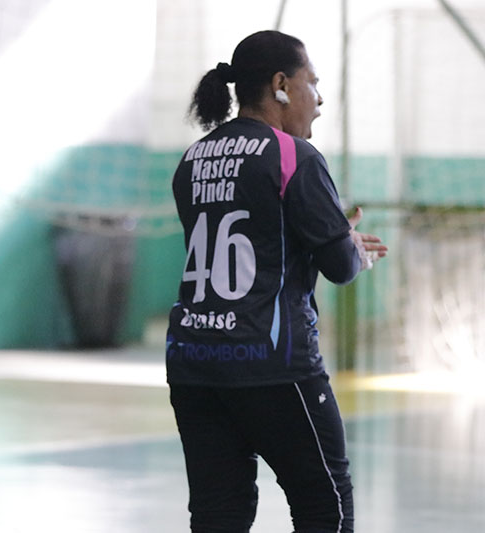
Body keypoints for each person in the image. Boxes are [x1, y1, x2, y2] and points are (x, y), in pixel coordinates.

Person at [166, 30, 387, 533]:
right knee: (325, 507)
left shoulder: (192, 159)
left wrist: (330, 235)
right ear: (282, 84)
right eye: (313, 83)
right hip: (271, 363)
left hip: (194, 361)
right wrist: (350, 246)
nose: (320, 99)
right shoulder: (294, 156)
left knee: (218, 513)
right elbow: (340, 266)